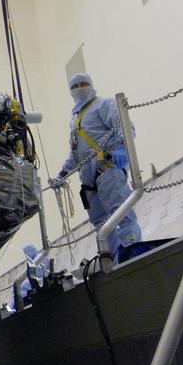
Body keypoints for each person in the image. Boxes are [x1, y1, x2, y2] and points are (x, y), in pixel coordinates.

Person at [50, 73, 142, 260]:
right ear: (71, 91)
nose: (80, 88)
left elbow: (125, 128)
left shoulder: (105, 105)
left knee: (122, 214)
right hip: (89, 182)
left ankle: (133, 254)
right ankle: (114, 260)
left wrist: (123, 151)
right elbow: (75, 153)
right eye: (75, 86)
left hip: (107, 169)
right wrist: (62, 174)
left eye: (84, 84)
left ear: (91, 85)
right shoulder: (75, 121)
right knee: (101, 224)